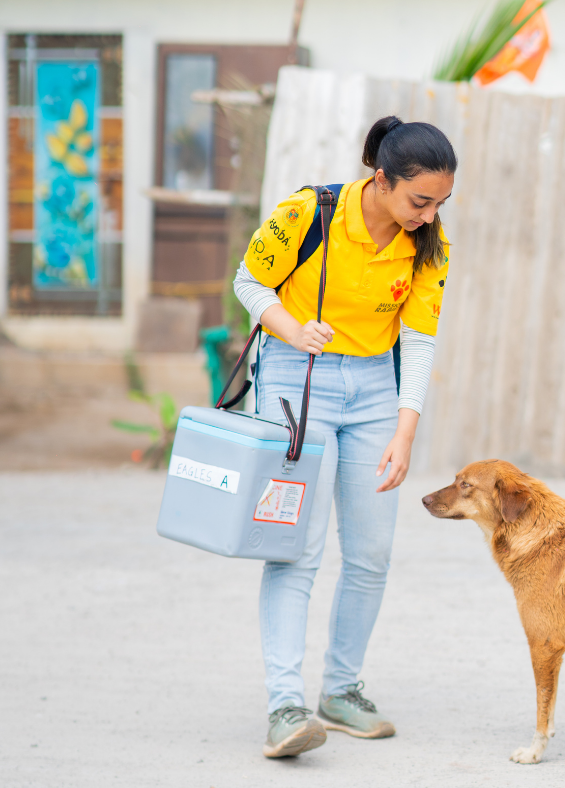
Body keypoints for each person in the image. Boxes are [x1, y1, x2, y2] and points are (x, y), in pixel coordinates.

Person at [233, 116, 457, 758]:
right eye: (420, 200)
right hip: (292, 377)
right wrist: (290, 325)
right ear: (381, 179)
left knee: (371, 552)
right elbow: (249, 281)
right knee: (295, 547)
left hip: (372, 391)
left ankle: (340, 690)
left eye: (441, 201)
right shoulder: (308, 213)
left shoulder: (430, 244)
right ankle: (284, 705)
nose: (430, 213)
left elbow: (418, 338)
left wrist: (405, 432)